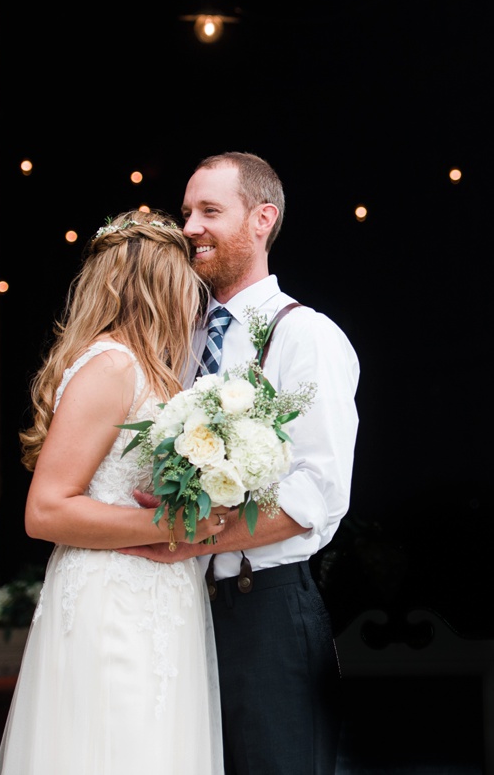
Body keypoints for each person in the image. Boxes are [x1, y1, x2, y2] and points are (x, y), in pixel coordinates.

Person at [122, 152, 361, 775]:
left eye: (210, 211)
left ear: (262, 219)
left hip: (266, 612)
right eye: (186, 213)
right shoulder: (181, 341)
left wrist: (193, 541)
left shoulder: (307, 336)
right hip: (180, 612)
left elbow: (318, 493)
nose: (191, 228)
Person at [0, 209, 225, 775]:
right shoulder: (111, 366)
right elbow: (46, 509)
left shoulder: (150, 370)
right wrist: (169, 526)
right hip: (115, 605)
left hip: (157, 601)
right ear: (157, 285)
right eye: (186, 283)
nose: (196, 300)